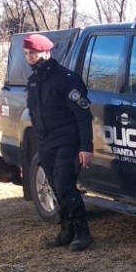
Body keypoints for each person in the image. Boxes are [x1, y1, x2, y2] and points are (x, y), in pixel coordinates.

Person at [24, 33, 95, 251]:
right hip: (46, 141)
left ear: (47, 52)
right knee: (55, 186)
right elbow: (35, 113)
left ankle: (83, 233)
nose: (30, 58)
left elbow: (83, 115)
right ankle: (66, 231)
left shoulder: (66, 79)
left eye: (33, 53)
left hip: (67, 141)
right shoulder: (34, 81)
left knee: (65, 185)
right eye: (27, 54)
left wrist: (86, 147)